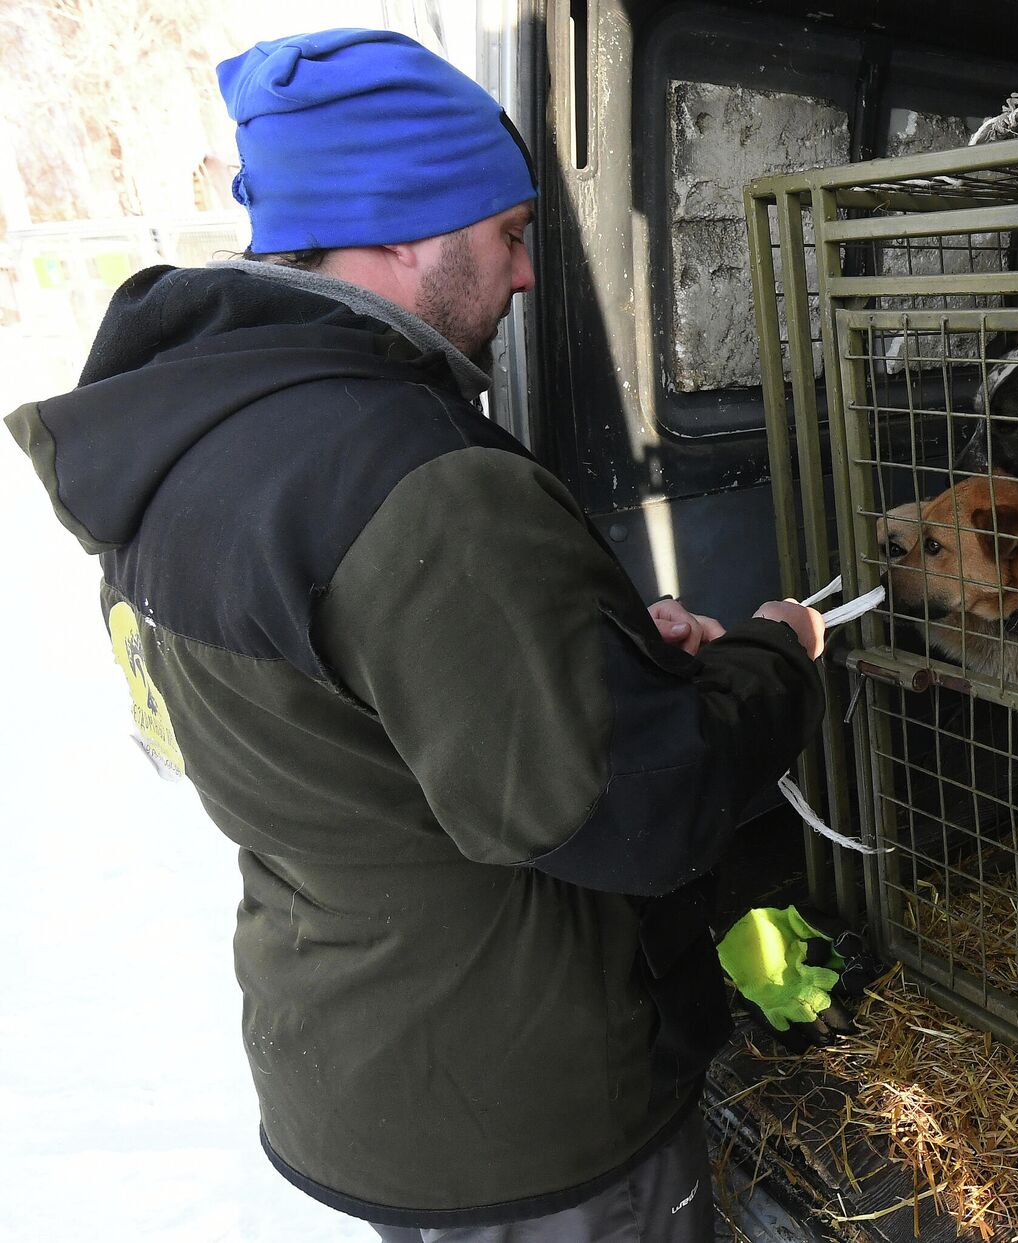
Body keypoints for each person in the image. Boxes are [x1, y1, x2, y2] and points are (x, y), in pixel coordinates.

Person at [5, 27, 827, 1242]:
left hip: (361, 1067)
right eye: (506, 235)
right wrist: (775, 658)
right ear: (398, 230)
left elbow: (293, 728)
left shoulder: (172, 454)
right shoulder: (411, 471)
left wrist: (585, 646)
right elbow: (637, 809)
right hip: (536, 1109)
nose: (528, 275)